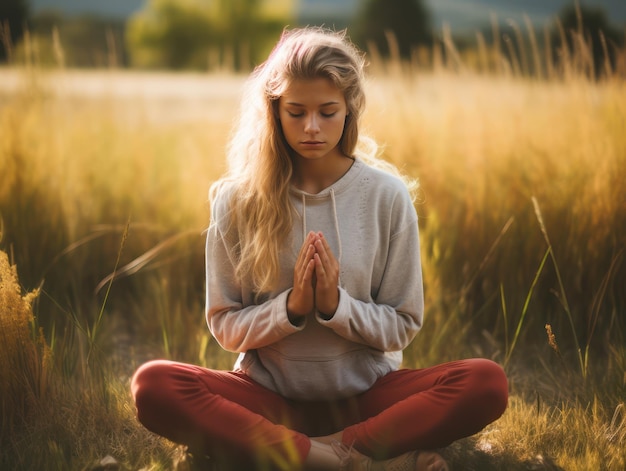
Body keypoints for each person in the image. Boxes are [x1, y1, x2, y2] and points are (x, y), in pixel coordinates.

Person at [131, 27, 508, 471]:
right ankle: (351, 458)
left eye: (328, 112)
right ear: (274, 112)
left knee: (486, 382)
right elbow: (225, 327)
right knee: (153, 385)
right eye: (296, 112)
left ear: (350, 110)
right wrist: (290, 309)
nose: (312, 127)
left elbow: (402, 325)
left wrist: (335, 307)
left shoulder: (386, 196)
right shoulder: (235, 199)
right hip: (268, 399)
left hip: (367, 400)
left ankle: (309, 450)